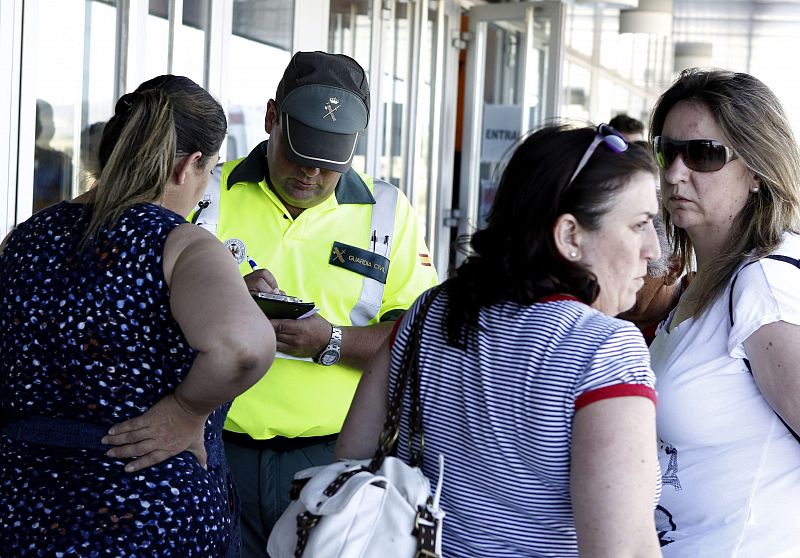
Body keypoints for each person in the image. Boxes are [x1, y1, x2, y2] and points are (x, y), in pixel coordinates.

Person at [336, 123, 663, 557]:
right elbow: (623, 551)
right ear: (569, 236)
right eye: (640, 225)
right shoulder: (604, 348)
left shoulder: (433, 308)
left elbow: (352, 456)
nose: (654, 248)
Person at [0, 75, 276, 556]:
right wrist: (185, 412)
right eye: (210, 170)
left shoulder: (24, 238)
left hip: (21, 507)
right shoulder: (181, 242)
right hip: (144, 514)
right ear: (189, 166)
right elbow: (243, 346)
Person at [192, 50, 440, 555]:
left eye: (328, 163)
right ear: (269, 118)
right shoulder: (205, 193)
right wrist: (223, 301)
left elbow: (420, 337)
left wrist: (332, 341)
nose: (309, 174)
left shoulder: (389, 211)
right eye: (297, 153)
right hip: (214, 448)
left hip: (332, 459)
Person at [648, 68, 800, 555]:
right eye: (666, 151)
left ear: (757, 169)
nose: (675, 172)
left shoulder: (764, 283)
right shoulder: (710, 282)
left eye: (703, 154)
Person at [33, 99, 74, 212]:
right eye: (35, 122)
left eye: (40, 122)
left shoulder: (59, 161)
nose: (38, 127)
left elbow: (67, 202)